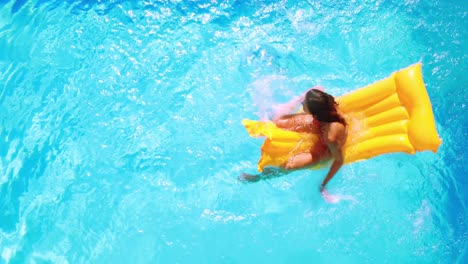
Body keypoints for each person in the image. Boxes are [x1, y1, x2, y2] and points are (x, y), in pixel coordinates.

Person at [241, 87, 347, 192]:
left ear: (313, 112)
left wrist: (324, 183)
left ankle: (257, 177)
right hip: (320, 123)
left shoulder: (330, 137)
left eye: (304, 103)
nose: (302, 103)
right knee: (280, 122)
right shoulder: (328, 104)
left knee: (288, 165)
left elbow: (339, 160)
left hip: (325, 150)